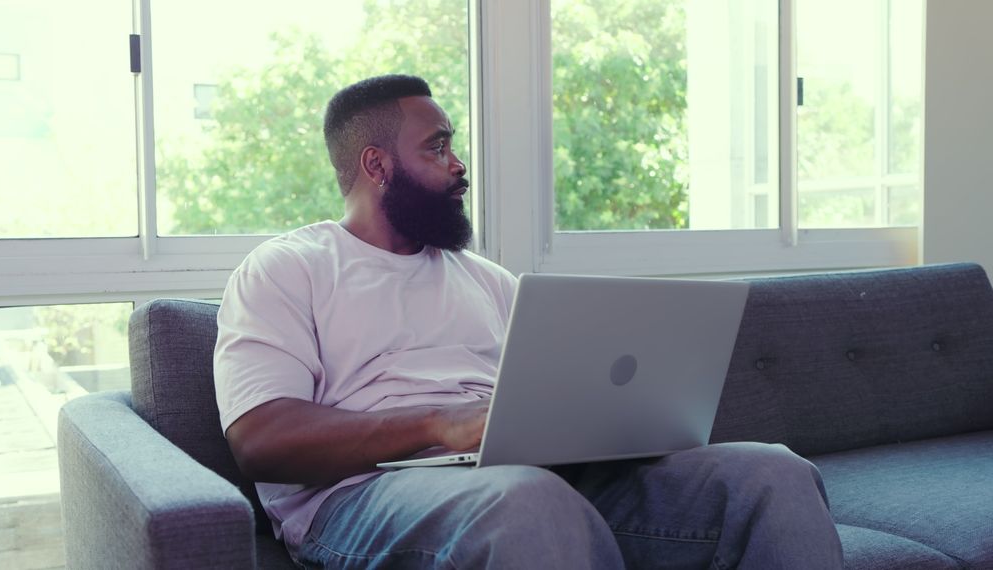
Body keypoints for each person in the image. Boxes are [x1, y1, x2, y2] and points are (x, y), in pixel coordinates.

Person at [214, 74, 844, 569]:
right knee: (530, 503)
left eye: (453, 144)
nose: (459, 164)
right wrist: (439, 422)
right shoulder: (287, 269)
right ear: (376, 166)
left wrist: (610, 424)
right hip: (360, 497)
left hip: (525, 479)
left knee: (770, 472)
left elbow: (552, 400)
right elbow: (261, 441)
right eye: (438, 147)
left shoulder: (488, 280)